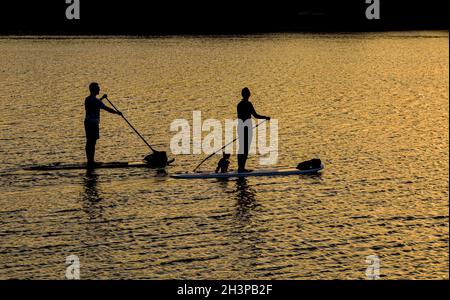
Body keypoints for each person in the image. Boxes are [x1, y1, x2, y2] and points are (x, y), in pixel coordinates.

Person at [84, 82, 122, 167]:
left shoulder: (88, 99)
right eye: (97, 88)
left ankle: (89, 161)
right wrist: (117, 113)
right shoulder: (95, 100)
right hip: (93, 123)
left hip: (87, 122)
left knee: (89, 142)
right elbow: (106, 108)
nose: (99, 89)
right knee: (92, 142)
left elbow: (96, 104)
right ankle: (91, 162)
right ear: (94, 89)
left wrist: (102, 98)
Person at [237, 87, 270, 173]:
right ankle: (241, 169)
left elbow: (240, 117)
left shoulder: (239, 105)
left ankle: (240, 167)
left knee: (241, 148)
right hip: (246, 128)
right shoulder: (248, 104)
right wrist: (265, 117)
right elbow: (256, 115)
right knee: (245, 148)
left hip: (240, 127)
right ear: (248, 94)